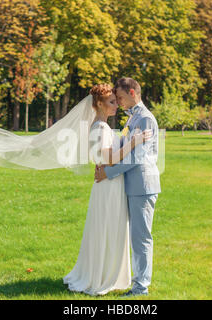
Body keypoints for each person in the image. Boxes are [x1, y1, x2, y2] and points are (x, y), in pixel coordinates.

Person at [63, 84, 151, 296]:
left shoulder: (100, 126)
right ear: (99, 104)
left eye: (116, 100)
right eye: (112, 102)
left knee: (109, 228)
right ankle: (101, 276)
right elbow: (108, 158)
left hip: (110, 184)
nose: (116, 105)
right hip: (109, 186)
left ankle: (105, 273)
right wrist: (134, 142)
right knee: (107, 228)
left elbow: (103, 157)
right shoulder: (100, 128)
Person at [95, 77, 161, 297]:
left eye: (121, 98)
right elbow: (124, 147)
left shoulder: (145, 119)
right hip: (132, 185)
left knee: (141, 238)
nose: (119, 102)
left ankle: (141, 288)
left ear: (132, 93)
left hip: (142, 185)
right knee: (135, 237)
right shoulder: (132, 119)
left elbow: (137, 158)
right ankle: (132, 282)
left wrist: (108, 172)